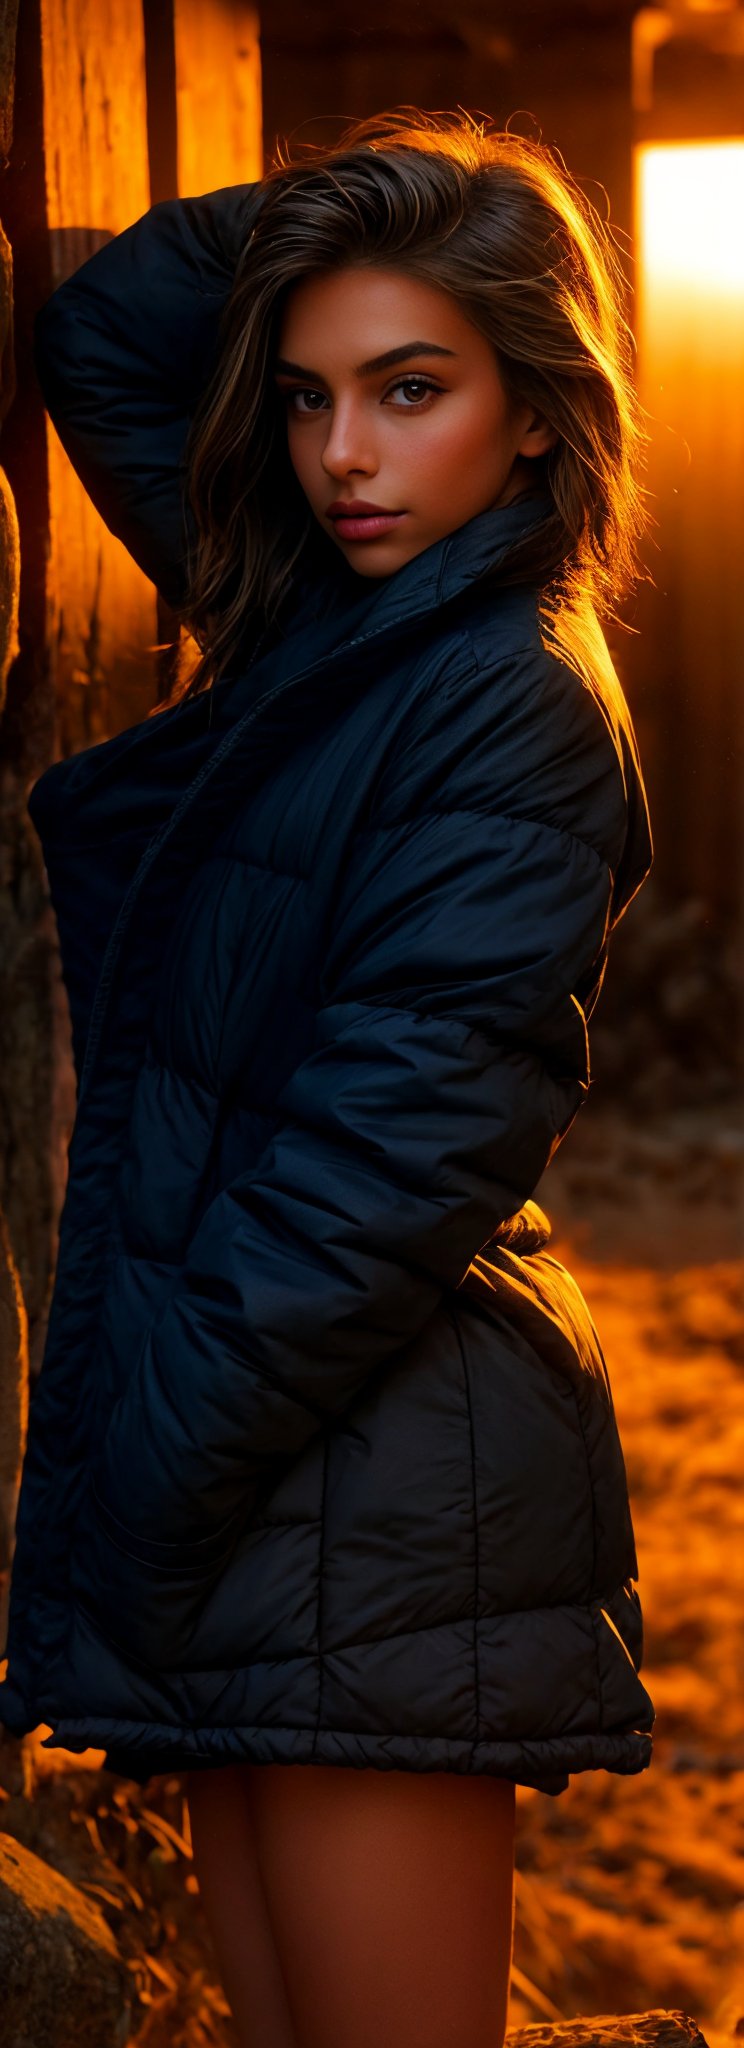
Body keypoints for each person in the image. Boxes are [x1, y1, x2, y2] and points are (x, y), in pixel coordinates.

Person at [0, 108, 656, 2048]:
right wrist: (382, 213)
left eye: (411, 389)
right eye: (305, 397)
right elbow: (114, 328)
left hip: (373, 1488)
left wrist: (144, 1491)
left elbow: (386, 1164)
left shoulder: (511, 705)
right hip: (262, 1457)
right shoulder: (333, 626)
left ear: (537, 411)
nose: (344, 456)